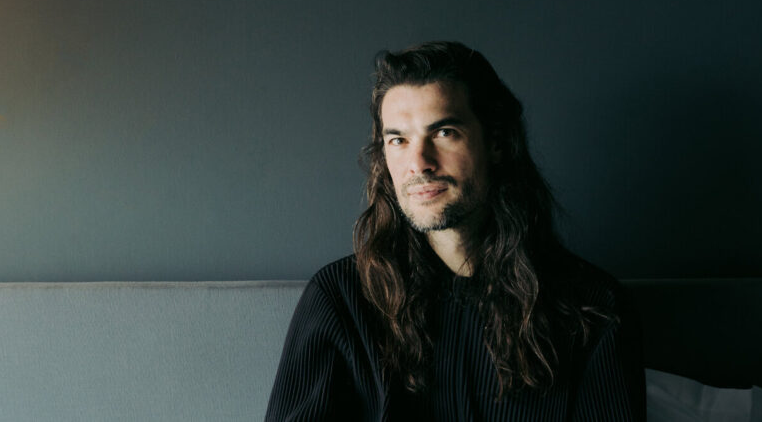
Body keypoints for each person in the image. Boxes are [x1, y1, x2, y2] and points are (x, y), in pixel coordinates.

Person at [266, 41, 645, 421]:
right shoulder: (340, 299)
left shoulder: (591, 308)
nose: (419, 163)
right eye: (398, 140)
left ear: (495, 142)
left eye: (444, 132)